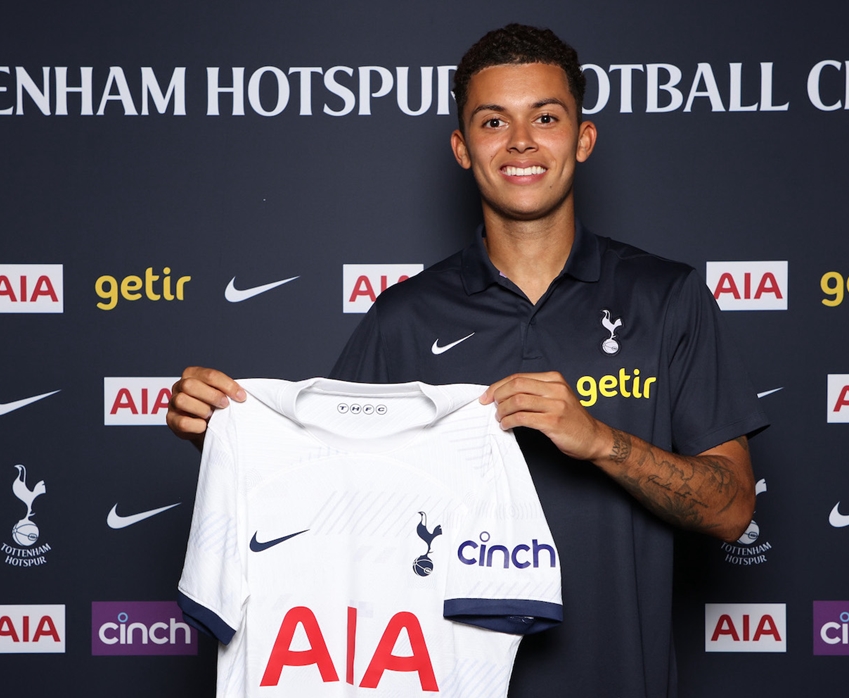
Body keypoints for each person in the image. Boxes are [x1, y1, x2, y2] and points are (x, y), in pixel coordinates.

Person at [169, 23, 768, 697]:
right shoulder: (404, 317)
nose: (521, 142)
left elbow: (732, 509)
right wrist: (225, 435)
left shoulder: (667, 297)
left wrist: (600, 440)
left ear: (583, 138)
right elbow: (327, 499)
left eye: (546, 117)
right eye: (493, 121)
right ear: (462, 147)